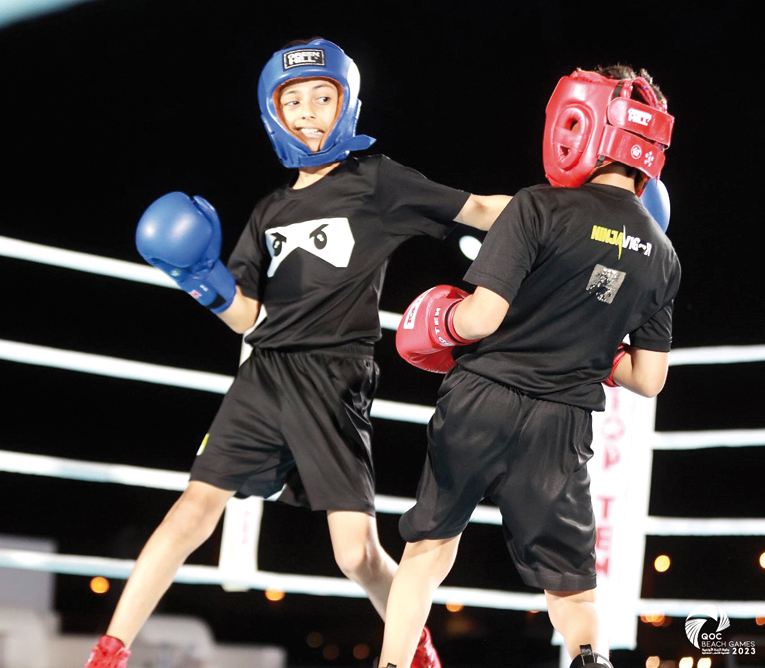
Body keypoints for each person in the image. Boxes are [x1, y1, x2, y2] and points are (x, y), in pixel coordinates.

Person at [83, 38, 511, 668]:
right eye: (294, 101)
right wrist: (201, 281)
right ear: (273, 113)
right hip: (264, 373)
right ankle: (109, 651)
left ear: (346, 105)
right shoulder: (269, 211)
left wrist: (562, 219)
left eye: (322, 96)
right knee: (191, 510)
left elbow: (477, 209)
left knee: (355, 553)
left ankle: (413, 649)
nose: (308, 111)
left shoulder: (376, 181)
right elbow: (248, 319)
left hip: (334, 377)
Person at [380, 65, 680, 668]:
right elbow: (648, 379)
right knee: (570, 590)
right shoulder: (665, 256)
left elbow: (483, 317)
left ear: (584, 122)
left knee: (429, 551)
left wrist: (439, 325)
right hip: (562, 424)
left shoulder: (538, 206)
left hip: (481, 399)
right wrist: (592, 346)